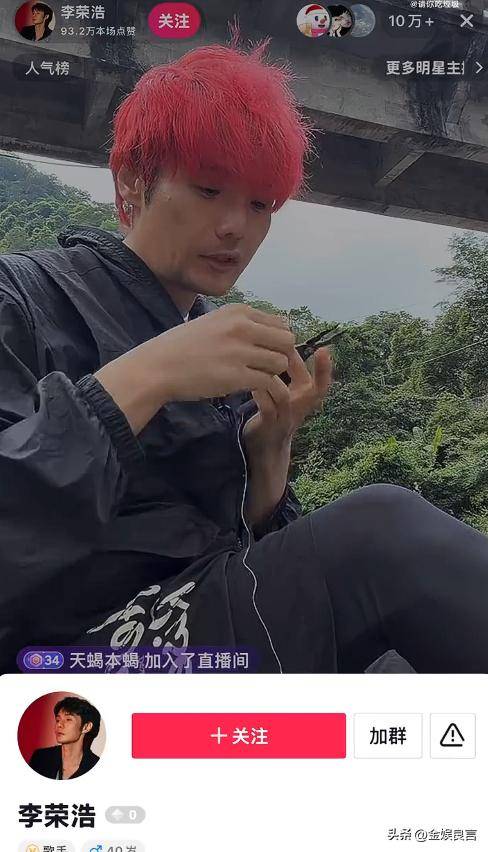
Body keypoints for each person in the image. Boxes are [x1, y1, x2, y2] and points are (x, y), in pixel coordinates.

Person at [0, 42, 487, 677]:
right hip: (69, 655)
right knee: (384, 537)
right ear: (131, 183)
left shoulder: (219, 347)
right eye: (209, 189)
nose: (235, 225)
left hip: (204, 620)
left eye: (260, 204)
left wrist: (266, 463)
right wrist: (145, 378)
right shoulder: (22, 296)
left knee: (398, 668)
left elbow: (242, 565)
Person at [28, 696, 101, 779]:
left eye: (68, 719)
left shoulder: (95, 765)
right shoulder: (41, 758)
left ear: (86, 727)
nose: (59, 724)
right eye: (58, 720)